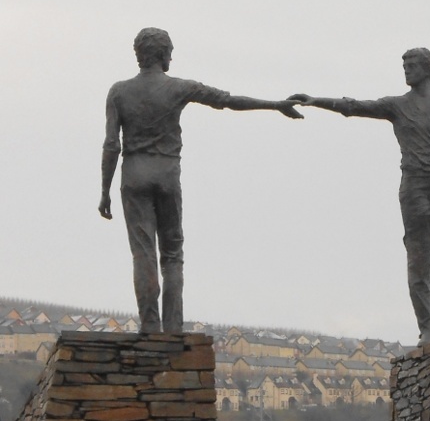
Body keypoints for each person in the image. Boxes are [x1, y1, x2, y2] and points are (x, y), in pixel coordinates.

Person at [99, 27, 303, 333]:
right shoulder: (179, 87)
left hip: (134, 174)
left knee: (143, 252)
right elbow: (228, 100)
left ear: (139, 55)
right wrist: (275, 104)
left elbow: (112, 144)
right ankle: (172, 327)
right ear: (164, 54)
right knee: (172, 254)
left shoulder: (118, 91)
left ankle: (150, 326)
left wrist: (105, 190)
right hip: (166, 173)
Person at [289, 48, 430, 344]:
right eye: (404, 65)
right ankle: (427, 327)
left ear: (429, 70)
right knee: (419, 262)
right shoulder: (397, 106)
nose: (406, 69)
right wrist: (315, 101)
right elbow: (355, 107)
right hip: (415, 190)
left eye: (412, 65)